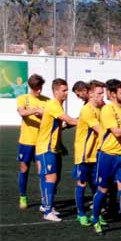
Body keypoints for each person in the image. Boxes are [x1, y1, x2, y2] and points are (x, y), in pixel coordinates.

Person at [91, 79, 121, 237]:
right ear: (113, 94)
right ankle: (95, 219)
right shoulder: (108, 109)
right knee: (103, 190)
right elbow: (117, 132)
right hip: (107, 155)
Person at [35, 78, 78, 221]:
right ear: (56, 91)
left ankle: (46, 205)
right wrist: (86, 120)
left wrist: (61, 145)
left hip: (52, 147)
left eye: (67, 90)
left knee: (52, 177)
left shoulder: (57, 106)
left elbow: (59, 127)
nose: (66, 93)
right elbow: (70, 121)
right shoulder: (54, 105)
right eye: (64, 90)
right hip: (45, 147)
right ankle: (47, 211)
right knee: (50, 177)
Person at [72, 80, 104, 226]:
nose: (102, 96)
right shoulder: (87, 110)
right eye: (99, 93)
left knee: (96, 185)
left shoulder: (100, 108)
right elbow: (100, 130)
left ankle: (97, 214)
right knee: (82, 183)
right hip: (84, 154)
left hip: (96, 153)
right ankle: (81, 213)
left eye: (102, 93)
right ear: (90, 94)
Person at [16, 74, 48, 209]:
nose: (39, 91)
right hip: (26, 141)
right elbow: (22, 113)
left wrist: (44, 114)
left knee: (43, 172)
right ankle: (23, 196)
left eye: (40, 88)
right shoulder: (23, 98)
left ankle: (45, 201)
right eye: (36, 88)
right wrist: (36, 110)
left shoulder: (47, 101)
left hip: (42, 142)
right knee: (24, 169)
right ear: (31, 87)